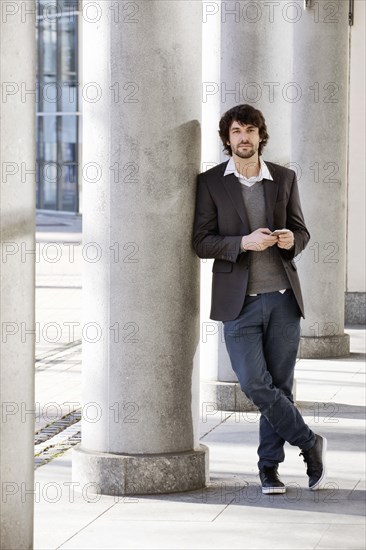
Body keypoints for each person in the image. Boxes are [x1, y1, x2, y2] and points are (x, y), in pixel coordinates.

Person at [192, 104, 327, 494]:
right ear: (227, 138)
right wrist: (242, 243)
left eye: (250, 130)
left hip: (283, 299)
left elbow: (302, 231)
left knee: (280, 386)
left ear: (260, 136)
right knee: (254, 383)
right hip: (240, 302)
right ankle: (308, 441)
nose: (244, 137)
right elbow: (200, 241)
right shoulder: (211, 183)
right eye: (236, 131)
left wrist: (291, 241)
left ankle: (269, 468)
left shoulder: (283, 178)